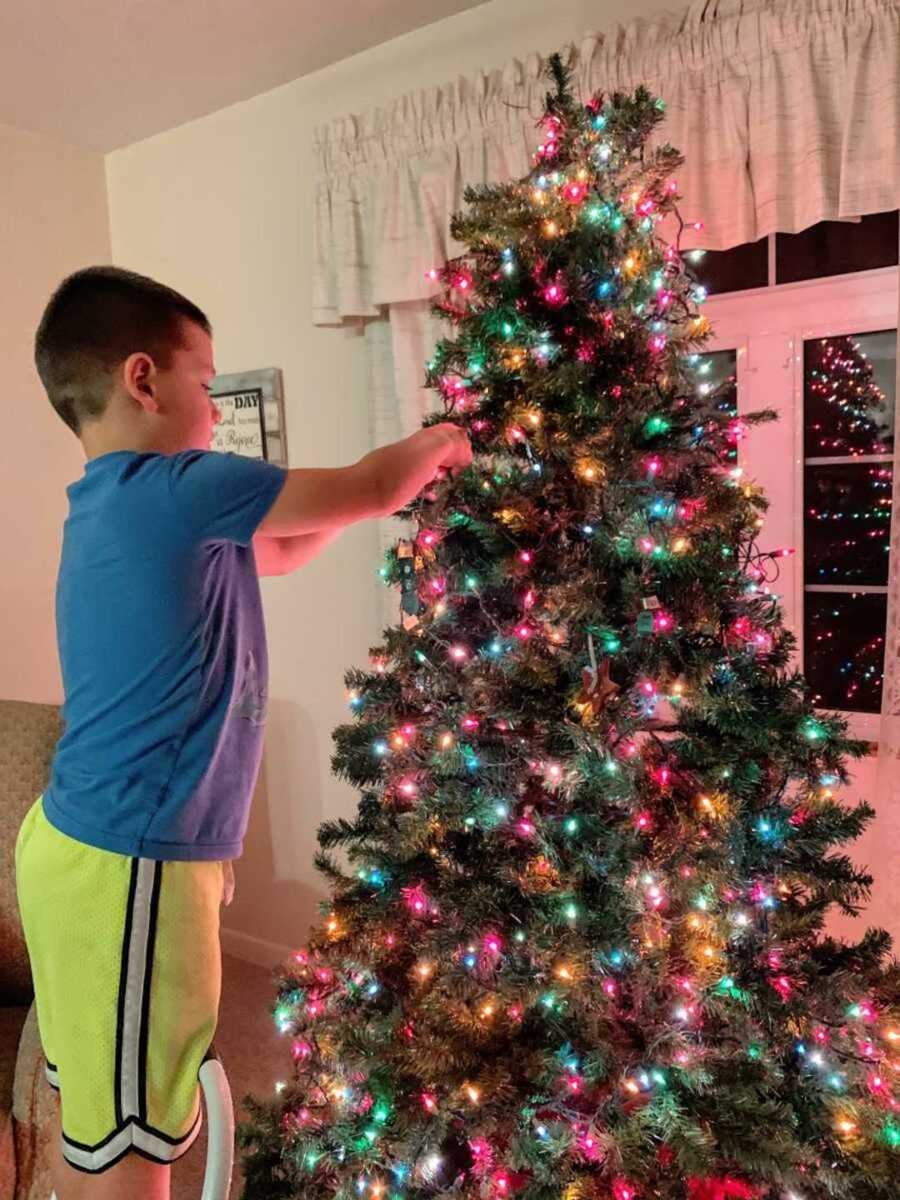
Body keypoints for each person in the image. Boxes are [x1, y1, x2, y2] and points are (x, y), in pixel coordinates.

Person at [14, 265, 472, 1200]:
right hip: (130, 863)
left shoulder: (117, 506)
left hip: (89, 849)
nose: (216, 409)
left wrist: (363, 500)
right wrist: (445, 439)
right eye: (206, 382)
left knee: (103, 1109)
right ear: (144, 380)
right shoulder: (176, 490)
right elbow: (379, 481)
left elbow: (296, 545)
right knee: (136, 1147)